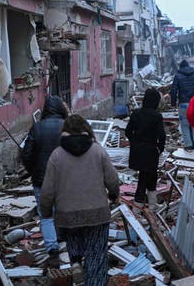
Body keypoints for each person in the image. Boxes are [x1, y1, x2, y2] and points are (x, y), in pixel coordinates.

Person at [40, 114, 120, 286]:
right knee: (96, 256)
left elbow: (47, 190)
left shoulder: (57, 155)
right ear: (86, 129)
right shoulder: (98, 150)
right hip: (97, 214)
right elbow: (112, 179)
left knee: (74, 246)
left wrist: (46, 212)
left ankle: (76, 264)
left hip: (67, 216)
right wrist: (114, 194)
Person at [21, 95, 68, 265]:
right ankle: (66, 241)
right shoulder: (67, 127)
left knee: (46, 215)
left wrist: (33, 170)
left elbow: (26, 153)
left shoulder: (37, 128)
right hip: (63, 178)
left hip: (41, 179)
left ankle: (52, 248)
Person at [125, 88, 166, 211]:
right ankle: (138, 207)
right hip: (151, 151)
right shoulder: (156, 116)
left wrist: (134, 142)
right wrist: (160, 148)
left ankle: (153, 204)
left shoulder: (136, 113)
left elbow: (128, 131)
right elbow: (162, 135)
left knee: (151, 175)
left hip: (138, 151)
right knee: (144, 178)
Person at [170, 60, 194, 149]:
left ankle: (188, 144)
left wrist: (173, 103)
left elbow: (173, 90)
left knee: (184, 125)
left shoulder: (178, 76)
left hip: (183, 104)